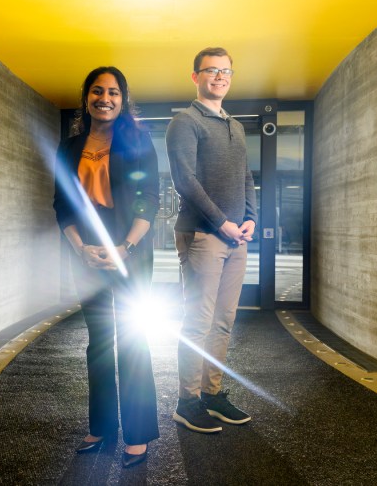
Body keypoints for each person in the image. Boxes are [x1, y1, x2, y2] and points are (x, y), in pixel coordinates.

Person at [53, 66, 160, 467]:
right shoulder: (69, 147)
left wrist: (126, 247)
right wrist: (81, 249)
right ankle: (102, 427)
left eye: (114, 92)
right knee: (98, 343)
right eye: (98, 91)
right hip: (87, 256)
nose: (106, 98)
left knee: (132, 341)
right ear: (86, 98)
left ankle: (138, 434)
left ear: (123, 98)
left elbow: (149, 198)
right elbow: (62, 205)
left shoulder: (137, 140)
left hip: (129, 252)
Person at [165, 47, 257, 433]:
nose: (219, 77)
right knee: (198, 322)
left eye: (226, 71)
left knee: (224, 321)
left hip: (237, 238)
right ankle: (187, 402)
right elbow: (185, 181)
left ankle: (212, 394)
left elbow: (246, 176)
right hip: (204, 234)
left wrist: (251, 218)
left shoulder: (235, 126)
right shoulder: (185, 122)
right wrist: (222, 223)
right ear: (195, 76)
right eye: (211, 70)